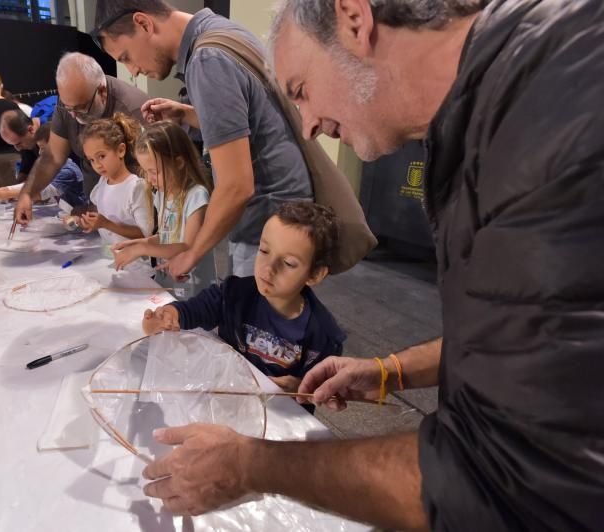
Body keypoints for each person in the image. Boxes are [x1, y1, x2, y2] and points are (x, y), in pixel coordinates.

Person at [137, 1, 604, 530]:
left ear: (354, 21)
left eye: (301, 91)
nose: (308, 127)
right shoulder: (501, 103)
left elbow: (504, 481)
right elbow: (529, 338)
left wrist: (249, 464)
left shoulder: (553, 121)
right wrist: (392, 371)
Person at [93, 1, 313, 278]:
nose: (133, 71)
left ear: (144, 23)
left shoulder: (207, 60)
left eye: (126, 57)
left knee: (254, 317)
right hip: (284, 217)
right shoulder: (222, 31)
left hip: (266, 224)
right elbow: (252, 120)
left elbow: (236, 186)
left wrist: (190, 253)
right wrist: (188, 115)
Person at [142, 201, 345, 393]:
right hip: (225, 398)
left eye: (289, 263)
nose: (269, 268)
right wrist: (169, 315)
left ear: (315, 274)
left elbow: (323, 388)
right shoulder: (233, 294)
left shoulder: (324, 335)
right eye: (264, 250)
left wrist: (301, 388)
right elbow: (194, 309)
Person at [14, 52, 150, 226]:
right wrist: (27, 193)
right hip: (99, 212)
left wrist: (107, 215)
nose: (74, 116)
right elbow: (52, 156)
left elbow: (154, 175)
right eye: (68, 108)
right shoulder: (69, 103)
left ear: (101, 91)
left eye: (81, 108)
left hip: (131, 215)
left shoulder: (134, 108)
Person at [112, 120, 216, 298]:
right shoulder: (161, 194)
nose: (150, 179)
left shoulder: (196, 196)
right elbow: (168, 236)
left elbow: (187, 247)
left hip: (194, 287)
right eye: (146, 172)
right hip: (169, 282)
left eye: (155, 172)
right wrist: (142, 243)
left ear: (179, 163)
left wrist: (142, 249)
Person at [77, 114, 152, 244]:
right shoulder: (102, 183)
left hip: (137, 262)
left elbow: (145, 234)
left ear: (120, 150)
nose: (97, 165)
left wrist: (107, 224)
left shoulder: (136, 187)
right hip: (111, 258)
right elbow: (98, 213)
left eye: (101, 156)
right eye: (92, 160)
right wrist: (86, 221)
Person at [0, 123, 87, 208]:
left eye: (43, 148)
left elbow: (43, 191)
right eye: (39, 148)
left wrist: (8, 193)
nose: (40, 152)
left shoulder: (67, 170)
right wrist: (8, 189)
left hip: (81, 214)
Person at [0, 109, 42, 183]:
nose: (18, 149)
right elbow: (26, 169)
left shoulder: (55, 132)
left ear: (31, 130)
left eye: (18, 143)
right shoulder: (28, 143)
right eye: (13, 145)